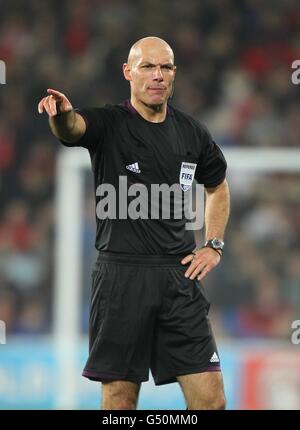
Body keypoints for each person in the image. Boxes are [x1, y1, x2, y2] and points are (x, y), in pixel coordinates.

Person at [38, 36, 230, 410]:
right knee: (120, 402)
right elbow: (72, 129)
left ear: (174, 73)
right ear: (128, 72)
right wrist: (61, 115)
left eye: (166, 67)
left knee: (212, 401)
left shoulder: (193, 133)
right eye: (147, 66)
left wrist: (214, 244)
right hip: (120, 278)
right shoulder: (109, 123)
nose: (157, 75)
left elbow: (218, 187)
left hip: (179, 277)